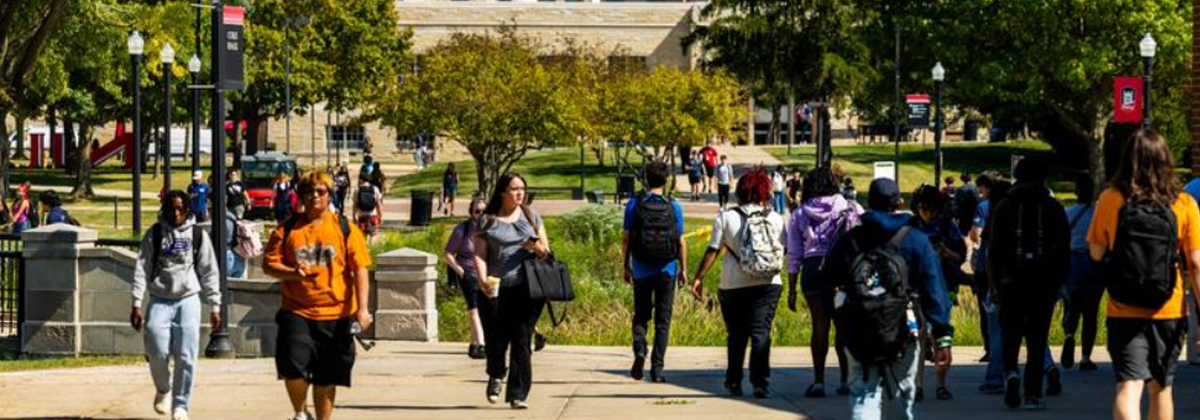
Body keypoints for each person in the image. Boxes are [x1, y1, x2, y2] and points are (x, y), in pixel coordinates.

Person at [1088, 130, 1200, 420]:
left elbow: (1096, 253)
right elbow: (1197, 263)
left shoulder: (1111, 198)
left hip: (1123, 307)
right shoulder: (1185, 203)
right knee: (1161, 389)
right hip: (1169, 308)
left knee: (1128, 386)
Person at [822, 178, 954, 420]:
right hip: (905, 327)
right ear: (900, 202)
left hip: (860, 326)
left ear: (868, 202)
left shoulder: (852, 239)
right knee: (902, 392)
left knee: (864, 393)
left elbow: (827, 277)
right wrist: (943, 336)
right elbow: (935, 288)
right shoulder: (916, 239)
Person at [262, 170, 373, 420]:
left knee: (327, 376)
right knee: (293, 368)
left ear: (329, 195)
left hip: (336, 314)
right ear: (300, 196)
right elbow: (269, 265)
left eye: (320, 191)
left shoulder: (345, 228)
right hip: (296, 311)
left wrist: (363, 309)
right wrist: (293, 273)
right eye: (308, 192)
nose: (314, 196)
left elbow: (360, 269)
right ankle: (300, 413)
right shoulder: (287, 229)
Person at [691, 169, 785, 399]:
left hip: (733, 284)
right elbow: (784, 249)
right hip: (769, 282)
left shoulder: (726, 216)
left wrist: (698, 277)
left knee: (736, 334)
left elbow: (712, 250)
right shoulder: (775, 218)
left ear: (740, 191)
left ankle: (734, 381)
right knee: (761, 332)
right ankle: (760, 382)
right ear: (765, 191)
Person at [130, 190, 222, 420]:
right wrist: (136, 303)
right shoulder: (155, 233)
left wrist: (215, 305)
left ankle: (181, 406)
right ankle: (164, 389)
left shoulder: (198, 235)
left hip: (188, 299)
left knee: (186, 356)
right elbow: (141, 268)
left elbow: (209, 270)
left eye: (181, 208)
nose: (176, 213)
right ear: (164, 209)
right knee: (156, 350)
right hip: (160, 298)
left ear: (188, 209)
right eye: (171, 208)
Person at [988, 156, 1070, 410]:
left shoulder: (1005, 206)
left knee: (1010, 333)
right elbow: (1063, 250)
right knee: (1037, 338)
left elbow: (994, 250)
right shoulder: (1054, 207)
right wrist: (1058, 283)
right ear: (1043, 178)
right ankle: (1033, 393)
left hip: (1010, 281)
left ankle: (1011, 372)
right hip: (1043, 283)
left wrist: (995, 285)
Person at [472, 173, 551, 409]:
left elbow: (547, 251)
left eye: (523, 189)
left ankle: (518, 394)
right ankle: (496, 374)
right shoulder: (487, 220)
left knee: (522, 341)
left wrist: (535, 246)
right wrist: (483, 279)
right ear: (503, 192)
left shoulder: (531, 216)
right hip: (495, 290)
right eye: (515, 189)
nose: (520, 193)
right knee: (496, 339)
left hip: (527, 289)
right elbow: (479, 253)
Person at [786, 167, 860, 398]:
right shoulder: (849, 206)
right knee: (844, 326)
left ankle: (818, 382)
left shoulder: (799, 214)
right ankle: (846, 380)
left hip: (812, 271)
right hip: (842, 271)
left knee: (820, 326)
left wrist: (791, 289)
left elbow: (794, 255)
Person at [622, 162, 688, 383]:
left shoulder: (635, 203)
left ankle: (640, 348)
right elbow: (680, 241)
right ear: (666, 180)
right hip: (666, 269)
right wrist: (684, 270)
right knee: (663, 319)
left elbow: (626, 237)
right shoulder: (673, 206)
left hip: (641, 268)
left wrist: (625, 265)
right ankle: (657, 370)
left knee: (641, 315)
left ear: (646, 179)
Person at [908, 185, 968, 401]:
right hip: (916, 289)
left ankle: (941, 385)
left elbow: (961, 256)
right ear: (917, 207)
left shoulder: (946, 225)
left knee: (942, 338)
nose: (929, 213)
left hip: (944, 287)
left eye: (933, 209)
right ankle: (918, 385)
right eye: (925, 208)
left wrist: (945, 252)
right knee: (920, 336)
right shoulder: (910, 226)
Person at [1059, 175, 1101, 372]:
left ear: (1075, 192)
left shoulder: (1067, 213)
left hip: (1072, 263)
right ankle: (1085, 357)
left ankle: (1068, 335)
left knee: (1071, 305)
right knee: (1091, 311)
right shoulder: (1098, 214)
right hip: (1093, 263)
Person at [444, 198, 488, 360]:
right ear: (471, 213)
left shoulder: (491, 229)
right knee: (474, 309)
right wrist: (462, 272)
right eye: (477, 211)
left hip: (488, 276)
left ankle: (473, 344)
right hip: (468, 275)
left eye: (484, 211)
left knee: (485, 310)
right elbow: (448, 254)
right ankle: (482, 344)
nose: (481, 214)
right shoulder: (462, 230)